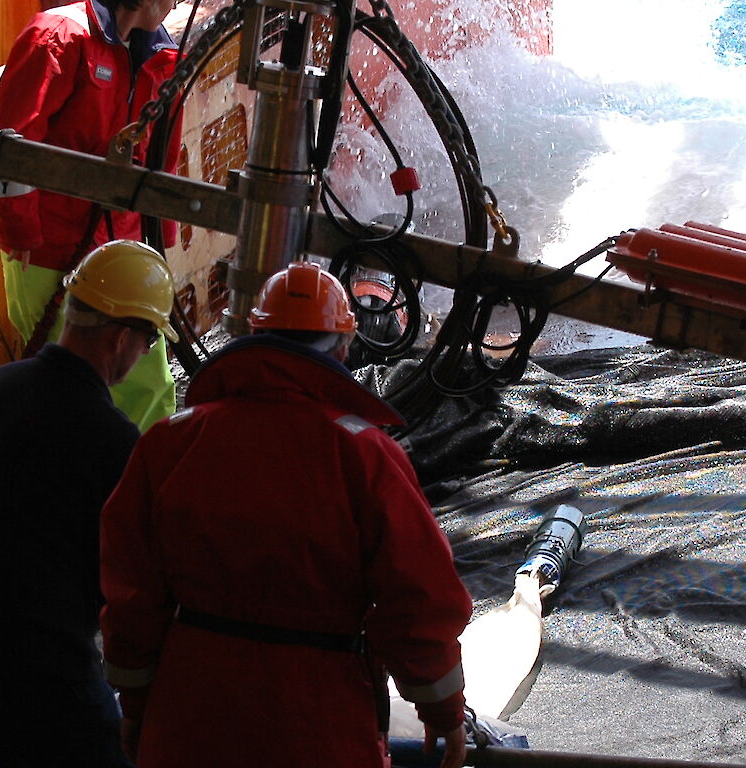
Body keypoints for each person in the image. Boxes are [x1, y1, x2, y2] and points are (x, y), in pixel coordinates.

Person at [99, 261, 473, 768]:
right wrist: (442, 709)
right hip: (319, 725)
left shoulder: (171, 442)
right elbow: (420, 597)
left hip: (189, 718)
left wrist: (137, 705)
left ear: (254, 333)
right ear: (343, 347)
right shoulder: (365, 455)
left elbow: (132, 596)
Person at [0, 240, 179, 768]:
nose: (144, 356)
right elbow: (132, 583)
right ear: (121, 337)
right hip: (38, 664)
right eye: (150, 339)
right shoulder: (111, 437)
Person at [0, 0, 183, 429]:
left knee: (149, 385)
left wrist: (161, 243)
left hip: (127, 253)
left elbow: (163, 161)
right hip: (46, 251)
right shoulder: (58, 36)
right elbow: (12, 141)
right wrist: (20, 233)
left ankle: (144, 482)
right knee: (59, 384)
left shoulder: (167, 59)